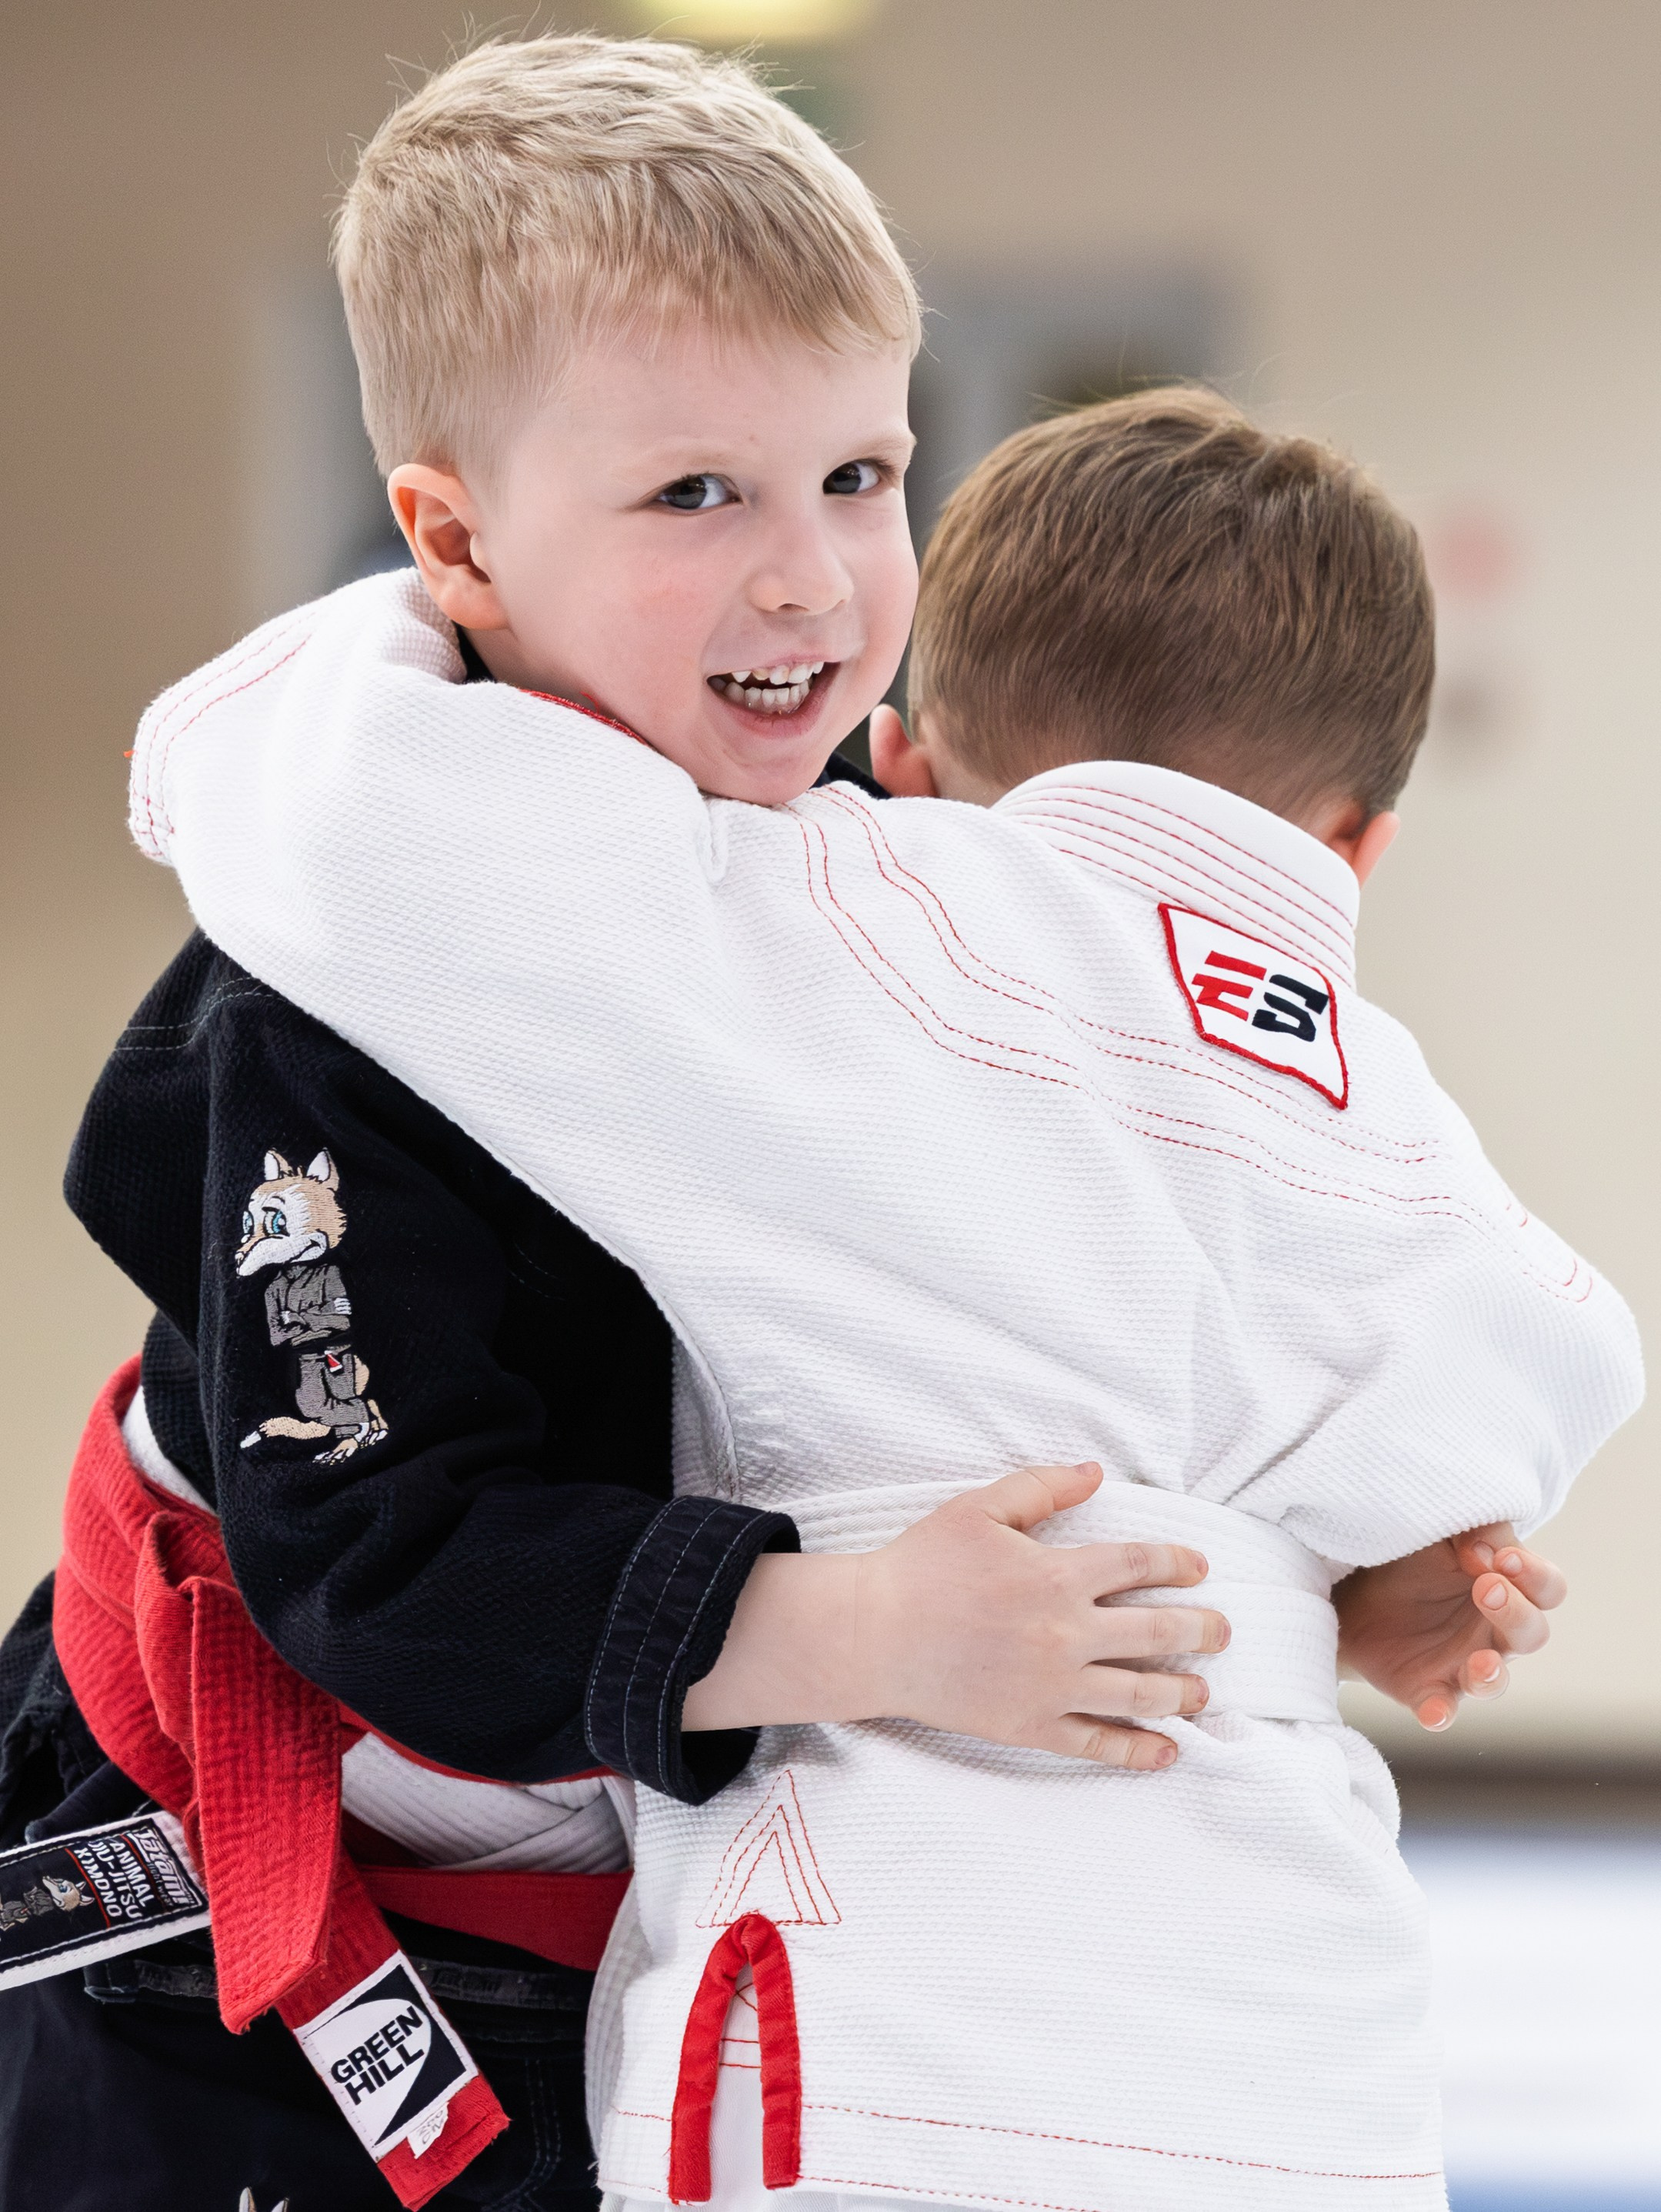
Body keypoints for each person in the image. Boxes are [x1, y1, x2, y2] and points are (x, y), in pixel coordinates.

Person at [0, 37, 1469, 2212]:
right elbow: (377, 1553)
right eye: (699, 496)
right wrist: (866, 1631)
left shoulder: (888, 882)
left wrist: (1319, 1569)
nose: (812, 582)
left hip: (622, 1892)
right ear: (457, 534)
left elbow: (1051, 1320)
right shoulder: (358, 968)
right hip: (225, 1939)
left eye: (864, 476)